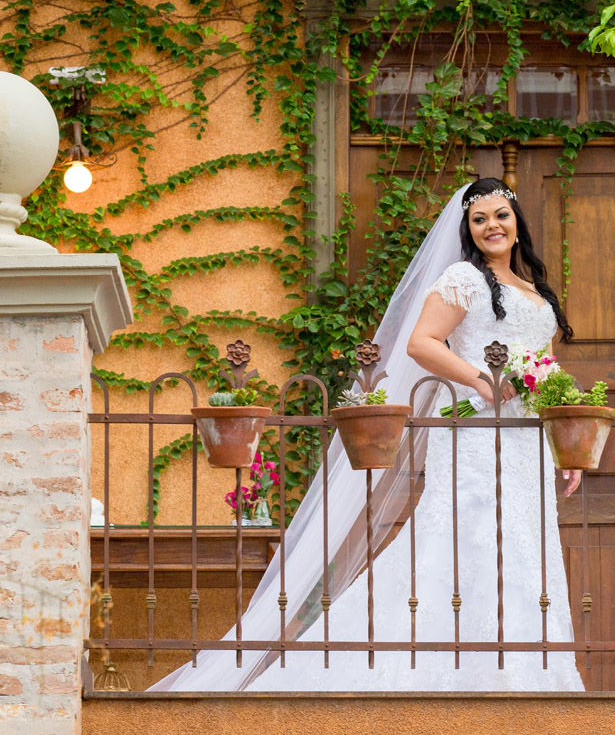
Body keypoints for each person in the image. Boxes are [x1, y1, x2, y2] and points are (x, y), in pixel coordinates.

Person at [151, 179, 585, 692]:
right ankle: (460, 669)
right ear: (468, 229)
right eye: (479, 219)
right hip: (473, 430)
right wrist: (480, 383)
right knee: (467, 535)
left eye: (500, 216)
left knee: (525, 542)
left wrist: (564, 441)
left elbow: (545, 369)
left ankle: (524, 669)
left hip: (525, 438)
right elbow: (422, 342)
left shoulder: (534, 291)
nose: (492, 226)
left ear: (517, 222)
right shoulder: (463, 278)